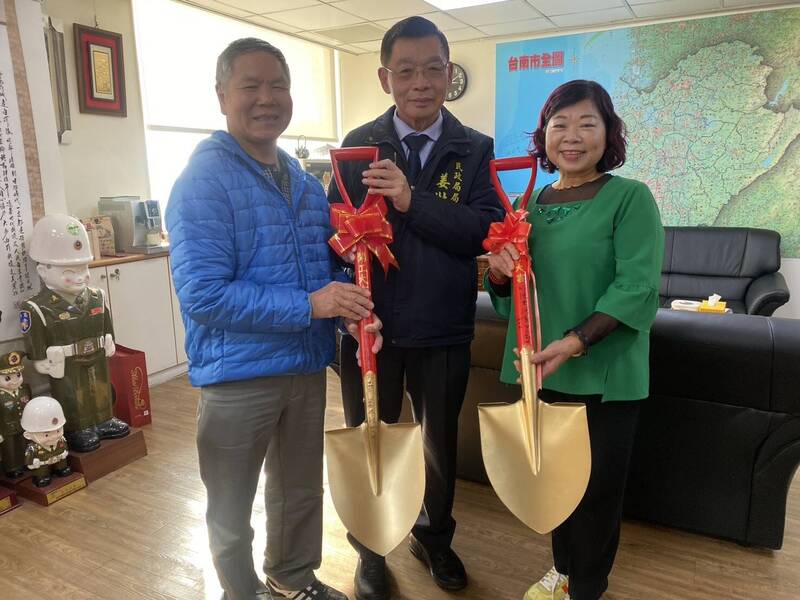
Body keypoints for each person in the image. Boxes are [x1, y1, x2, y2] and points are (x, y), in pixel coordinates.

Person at [166, 38, 379, 600]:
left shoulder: (304, 185)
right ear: (222, 96)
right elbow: (204, 295)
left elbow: (322, 274)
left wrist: (348, 313)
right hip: (238, 376)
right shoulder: (203, 182)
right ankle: (242, 592)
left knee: (300, 491)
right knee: (231, 504)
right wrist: (312, 306)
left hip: (304, 367)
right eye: (250, 86)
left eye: (278, 85)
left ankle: (292, 578)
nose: (267, 98)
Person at [328, 16, 504, 600]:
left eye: (433, 69)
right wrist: (348, 305)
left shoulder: (474, 149)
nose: (420, 83)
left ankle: (433, 537)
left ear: (449, 74)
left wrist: (409, 199)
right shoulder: (357, 147)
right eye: (406, 71)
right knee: (369, 438)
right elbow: (332, 236)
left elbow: (482, 231)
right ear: (386, 78)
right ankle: (371, 548)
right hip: (370, 331)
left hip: (442, 327)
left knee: (438, 444)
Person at [485, 80, 664, 600]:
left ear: (608, 134)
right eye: (559, 125)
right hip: (542, 370)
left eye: (587, 124)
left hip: (604, 371)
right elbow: (515, 300)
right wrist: (498, 274)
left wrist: (575, 342)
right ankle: (562, 571)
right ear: (544, 136)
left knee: (597, 493)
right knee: (556, 485)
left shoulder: (629, 197)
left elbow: (637, 287)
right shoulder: (531, 206)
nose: (572, 136)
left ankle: (586, 587)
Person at [21, 215, 129, 453]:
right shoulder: (38, 307)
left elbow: (105, 321)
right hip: (66, 362)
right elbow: (34, 338)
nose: (81, 277)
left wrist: (110, 339)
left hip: (96, 353)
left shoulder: (96, 296)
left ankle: (104, 419)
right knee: (72, 394)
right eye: (70, 271)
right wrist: (39, 359)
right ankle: (77, 427)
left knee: (100, 387)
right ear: (43, 271)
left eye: (84, 269)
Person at [0, 351, 32, 478]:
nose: (14, 381)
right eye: (7, 378)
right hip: (7, 430)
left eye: (18, 375)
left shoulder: (25, 389)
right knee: (11, 449)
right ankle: (13, 468)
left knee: (26, 445)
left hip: (24, 425)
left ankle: (27, 462)